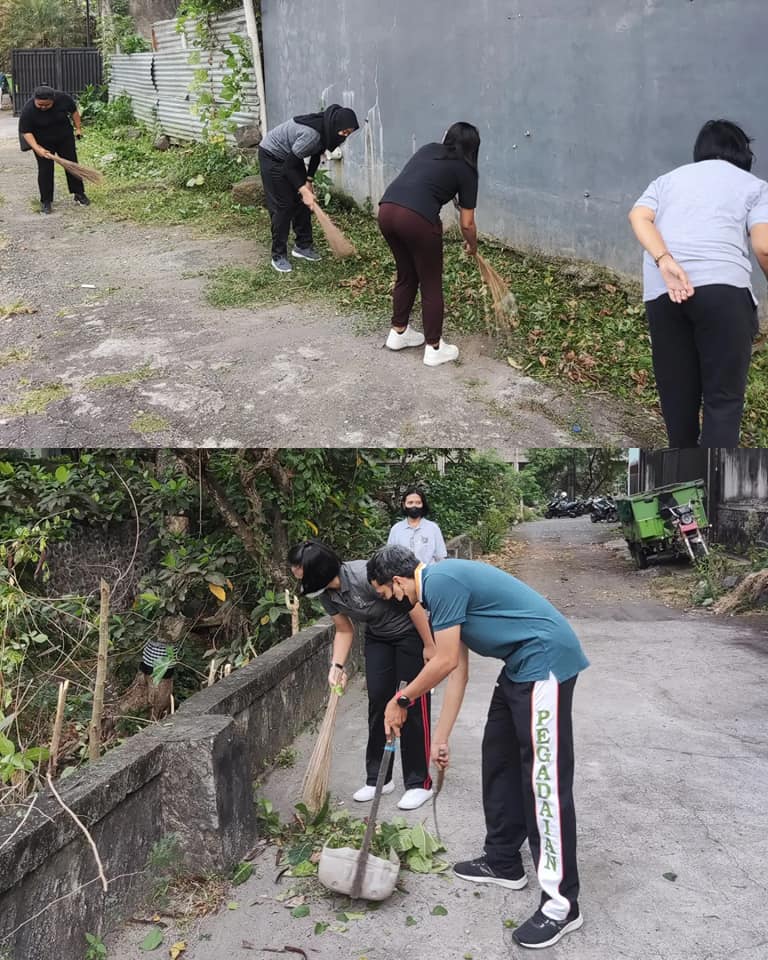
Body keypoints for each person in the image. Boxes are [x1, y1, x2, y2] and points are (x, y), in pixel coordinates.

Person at [366, 545, 589, 951]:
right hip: (518, 668)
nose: (394, 604)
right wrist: (441, 739)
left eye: (386, 595)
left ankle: (561, 905)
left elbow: (445, 661)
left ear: (397, 582)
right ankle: (504, 860)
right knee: (499, 759)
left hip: (543, 663)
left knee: (544, 782)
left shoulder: (441, 581)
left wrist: (400, 701)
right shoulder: (439, 594)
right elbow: (459, 672)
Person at [629, 119, 768, 447]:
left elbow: (638, 216)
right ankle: (711, 491)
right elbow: (763, 245)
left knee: (677, 400)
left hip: (664, 292)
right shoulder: (754, 186)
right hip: (724, 293)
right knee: (723, 400)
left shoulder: (665, 181)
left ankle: (685, 480)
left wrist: (665, 260)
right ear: (742, 153)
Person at [288, 539, 435, 810]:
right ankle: (379, 778)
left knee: (409, 702)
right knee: (379, 701)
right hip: (378, 638)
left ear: (317, 570)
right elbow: (344, 630)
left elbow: (413, 605)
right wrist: (337, 666)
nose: (296, 575)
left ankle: (418, 783)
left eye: (300, 570)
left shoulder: (363, 575)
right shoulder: (326, 594)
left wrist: (429, 646)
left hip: (409, 636)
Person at [378, 122, 480, 367]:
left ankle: (398, 332)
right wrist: (473, 246)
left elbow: (422, 181)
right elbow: (467, 224)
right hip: (416, 219)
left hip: (387, 210)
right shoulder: (467, 170)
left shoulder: (428, 149)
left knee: (406, 274)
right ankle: (434, 348)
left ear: (447, 137)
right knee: (431, 282)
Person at [258, 104, 359, 273]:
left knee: (302, 204)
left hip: (291, 156)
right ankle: (278, 256)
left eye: (349, 133)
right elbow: (289, 167)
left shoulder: (326, 130)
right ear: (336, 126)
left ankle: (303, 247)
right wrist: (303, 190)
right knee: (284, 206)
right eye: (344, 132)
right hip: (272, 156)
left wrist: (309, 181)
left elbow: (315, 154)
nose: (345, 136)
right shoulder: (312, 135)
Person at [18, 85, 89, 214]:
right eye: (40, 104)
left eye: (47, 105)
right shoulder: (28, 110)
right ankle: (46, 201)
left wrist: (78, 128)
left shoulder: (63, 98)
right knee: (45, 169)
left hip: (64, 138)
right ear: (35, 100)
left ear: (53, 100)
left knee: (71, 164)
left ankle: (79, 194)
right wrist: (37, 148)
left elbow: (74, 112)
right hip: (42, 141)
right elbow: (26, 132)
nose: (43, 107)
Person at [387, 486, 447, 566]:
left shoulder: (433, 528)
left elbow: (440, 558)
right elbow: (389, 558)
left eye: (418, 503)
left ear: (423, 505)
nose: (414, 506)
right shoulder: (396, 529)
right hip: (403, 577)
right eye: (410, 503)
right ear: (404, 505)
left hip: (427, 575)